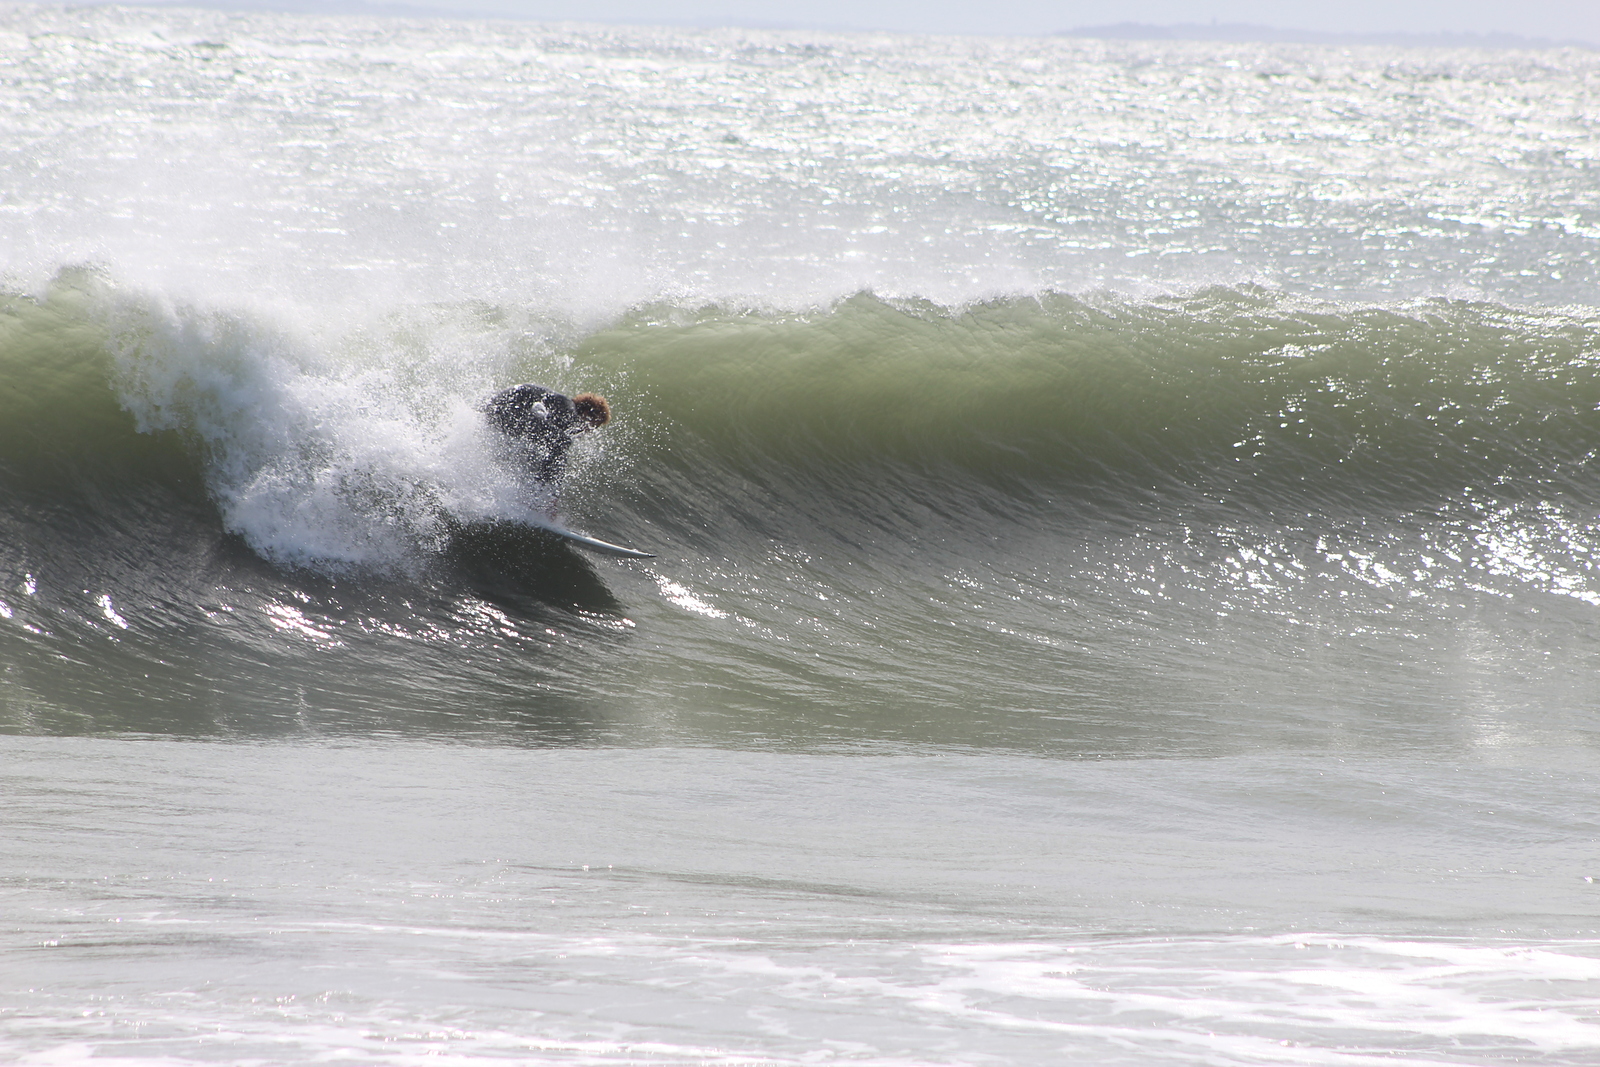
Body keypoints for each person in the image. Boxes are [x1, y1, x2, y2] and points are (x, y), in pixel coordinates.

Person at [484, 383, 611, 483]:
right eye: (593, 425)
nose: (589, 432)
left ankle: (536, 490)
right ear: (586, 414)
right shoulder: (569, 410)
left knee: (545, 448)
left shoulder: (560, 408)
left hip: (498, 408)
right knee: (562, 442)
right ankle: (546, 497)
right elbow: (559, 445)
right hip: (507, 408)